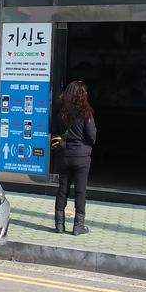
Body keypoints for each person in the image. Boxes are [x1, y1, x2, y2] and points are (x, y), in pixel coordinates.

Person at [53, 80, 96, 235]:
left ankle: (59, 225)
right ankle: (78, 226)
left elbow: (54, 131)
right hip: (81, 157)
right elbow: (91, 135)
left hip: (64, 156)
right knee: (80, 191)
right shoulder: (86, 112)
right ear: (82, 95)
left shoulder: (60, 112)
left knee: (62, 190)